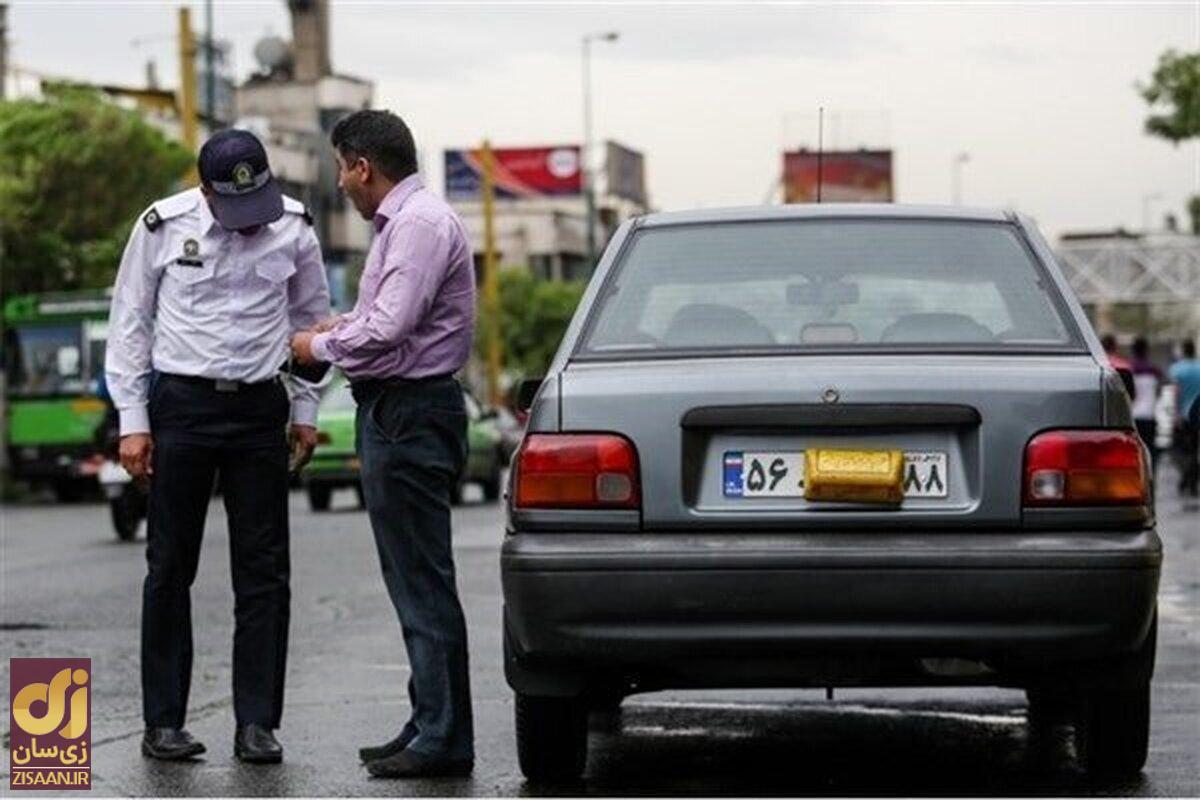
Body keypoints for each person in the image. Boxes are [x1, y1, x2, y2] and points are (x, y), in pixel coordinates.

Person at [106, 129, 331, 763]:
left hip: (260, 410)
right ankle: (163, 723)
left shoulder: (294, 228)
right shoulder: (159, 228)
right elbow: (130, 321)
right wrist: (133, 419)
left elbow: (311, 324)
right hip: (181, 407)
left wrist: (306, 411)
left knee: (263, 574)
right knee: (170, 568)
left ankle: (257, 724)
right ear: (204, 191)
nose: (246, 225)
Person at [290, 110, 476, 778]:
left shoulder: (419, 226)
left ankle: (445, 735)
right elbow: (382, 318)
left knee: (422, 580)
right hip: (397, 409)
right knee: (410, 579)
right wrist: (343, 325)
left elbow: (391, 328)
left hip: (410, 411)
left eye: (342, 167)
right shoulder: (403, 226)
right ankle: (431, 719)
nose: (340, 182)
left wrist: (316, 344)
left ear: (363, 166)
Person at [1169, 339, 1200, 499]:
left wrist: (1176, 414)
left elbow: (1176, 392)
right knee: (1195, 449)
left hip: (1184, 415)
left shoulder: (1177, 369)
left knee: (1181, 450)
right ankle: (1192, 482)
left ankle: (1186, 479)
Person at [1129, 337, 1164, 475]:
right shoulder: (1154, 370)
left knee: (1136, 451)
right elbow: (1160, 391)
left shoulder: (1129, 369)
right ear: (1146, 350)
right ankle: (1151, 476)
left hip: (1134, 417)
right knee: (1151, 450)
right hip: (1150, 416)